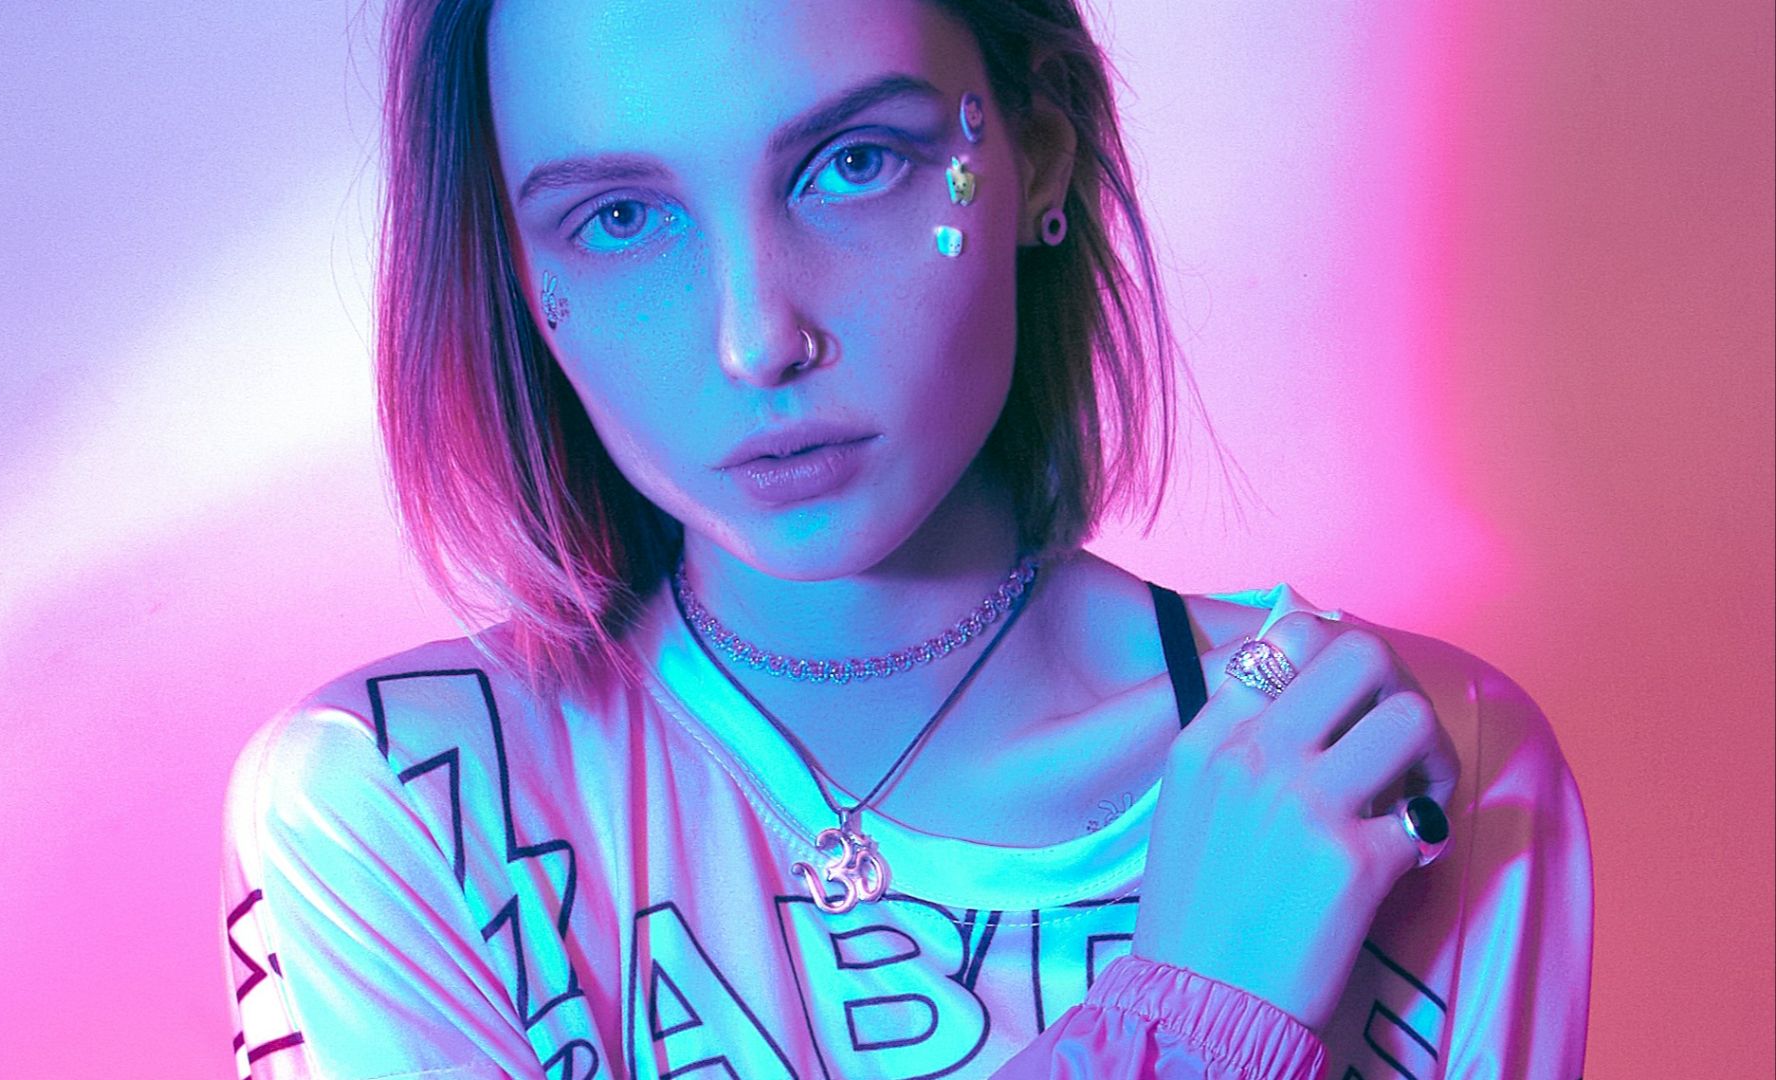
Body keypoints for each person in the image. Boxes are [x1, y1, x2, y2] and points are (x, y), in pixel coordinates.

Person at [219, 1, 1592, 1076]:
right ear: (520, 269)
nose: (757, 340)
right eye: (619, 218)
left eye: (854, 163)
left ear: (1039, 148)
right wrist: (1200, 1011)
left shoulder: (1400, 759)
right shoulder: (404, 808)